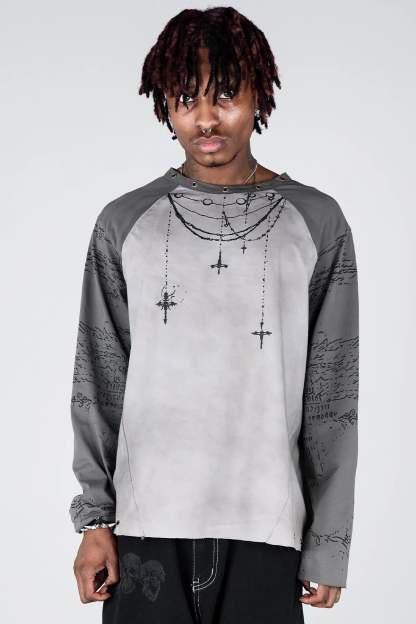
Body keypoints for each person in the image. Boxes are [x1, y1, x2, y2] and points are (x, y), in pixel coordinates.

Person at [69, 7, 359, 623]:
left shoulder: (315, 222)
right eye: (185, 99)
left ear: (260, 96)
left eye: (225, 95)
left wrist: (329, 542)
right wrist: (95, 521)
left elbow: (332, 396)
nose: (205, 119)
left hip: (268, 530)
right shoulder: (125, 223)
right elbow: (99, 380)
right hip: (145, 531)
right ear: (164, 105)